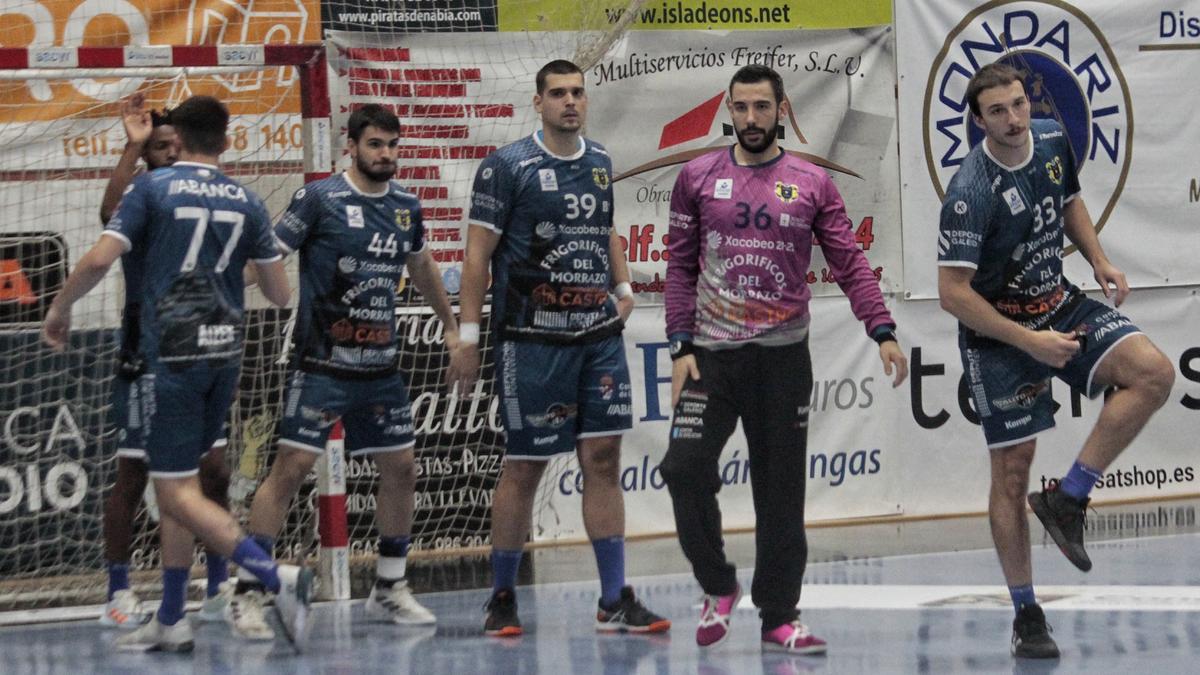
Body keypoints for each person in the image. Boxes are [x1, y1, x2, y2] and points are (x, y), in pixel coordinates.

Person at [42, 95, 313, 653]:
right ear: (226, 140)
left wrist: (60, 308)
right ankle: (171, 616)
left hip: (168, 357)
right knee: (184, 486)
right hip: (225, 354)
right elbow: (282, 293)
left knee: (176, 494)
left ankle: (270, 574)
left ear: (180, 139)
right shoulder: (246, 199)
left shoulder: (153, 188)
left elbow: (96, 259)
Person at [660, 64, 908, 655]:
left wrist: (883, 330)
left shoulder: (811, 182)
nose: (751, 118)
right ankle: (718, 586)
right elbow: (680, 268)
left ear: (781, 111)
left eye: (761, 108)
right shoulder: (697, 177)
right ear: (729, 109)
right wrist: (679, 346)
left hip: (782, 362)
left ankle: (779, 616)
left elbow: (849, 261)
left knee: (780, 493)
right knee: (682, 468)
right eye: (741, 108)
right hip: (712, 360)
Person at [937, 62, 1174, 659]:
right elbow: (952, 294)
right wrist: (1027, 341)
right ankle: (1027, 612)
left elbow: (1069, 200)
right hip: (999, 334)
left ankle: (1068, 498)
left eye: (1018, 104)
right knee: (1012, 474)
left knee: (1154, 373)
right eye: (998, 111)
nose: (1014, 119)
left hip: (1059, 302)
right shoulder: (970, 190)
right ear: (977, 119)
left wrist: (1097, 258)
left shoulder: (1047, 137)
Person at [227, 104, 462, 638]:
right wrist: (220, 282)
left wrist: (449, 326)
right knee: (289, 470)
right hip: (321, 364)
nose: (386, 155)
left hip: (380, 369)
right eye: (376, 144)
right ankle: (250, 591)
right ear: (350, 146)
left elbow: (421, 266)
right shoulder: (320, 198)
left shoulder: (405, 206)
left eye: (393, 145)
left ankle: (389, 587)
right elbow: (269, 255)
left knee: (403, 468)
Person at [452, 59, 669, 637]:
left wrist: (623, 289)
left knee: (602, 459)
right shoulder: (507, 167)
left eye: (577, 92)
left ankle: (613, 598)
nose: (569, 101)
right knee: (525, 466)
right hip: (531, 338)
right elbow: (477, 255)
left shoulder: (599, 161)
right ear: (539, 101)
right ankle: (501, 594)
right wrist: (468, 336)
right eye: (558, 93)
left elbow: (605, 229)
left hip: (595, 336)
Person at [96, 93, 234, 628]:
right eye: (159, 146)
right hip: (146, 353)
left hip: (204, 351)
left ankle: (220, 584)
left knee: (214, 473)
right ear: (148, 155)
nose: (170, 151)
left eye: (177, 143)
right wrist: (131, 148)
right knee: (135, 476)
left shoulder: (209, 197)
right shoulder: (144, 197)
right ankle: (119, 589)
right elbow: (108, 214)